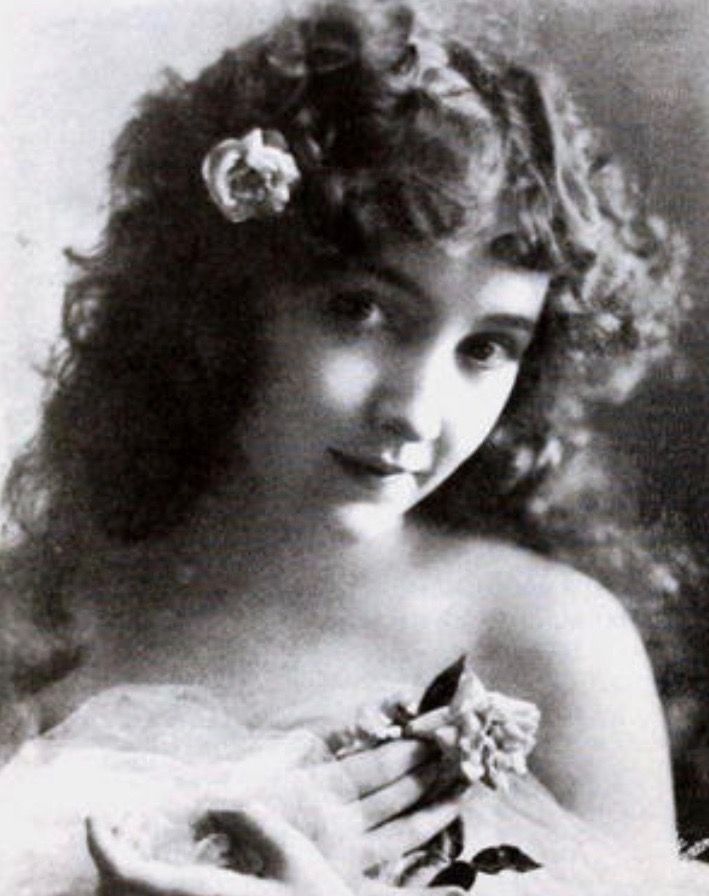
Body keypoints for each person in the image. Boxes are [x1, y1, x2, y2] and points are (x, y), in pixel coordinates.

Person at [0, 1, 706, 893]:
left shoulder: (550, 646)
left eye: (485, 347)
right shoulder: (36, 610)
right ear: (224, 301)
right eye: (364, 313)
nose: (415, 412)